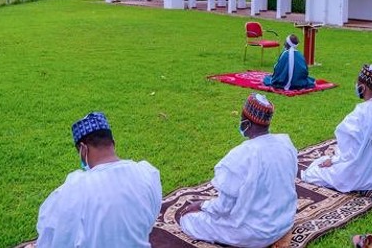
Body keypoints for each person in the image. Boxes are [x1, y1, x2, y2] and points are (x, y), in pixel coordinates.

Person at [178, 93, 298, 248]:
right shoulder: (285, 143)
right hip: (284, 222)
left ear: (247, 122)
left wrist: (202, 205)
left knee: (187, 220)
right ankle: (278, 236)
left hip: (255, 233)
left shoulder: (241, 155)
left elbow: (223, 208)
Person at [36, 112, 162, 248]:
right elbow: (150, 221)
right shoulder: (147, 173)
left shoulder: (72, 190)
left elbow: (50, 239)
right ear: (113, 142)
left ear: (83, 149)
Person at [301, 64, 372, 192]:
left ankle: (363, 190)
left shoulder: (361, 112)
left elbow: (349, 151)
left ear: (363, 87)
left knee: (311, 172)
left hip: (359, 177)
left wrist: (333, 160)